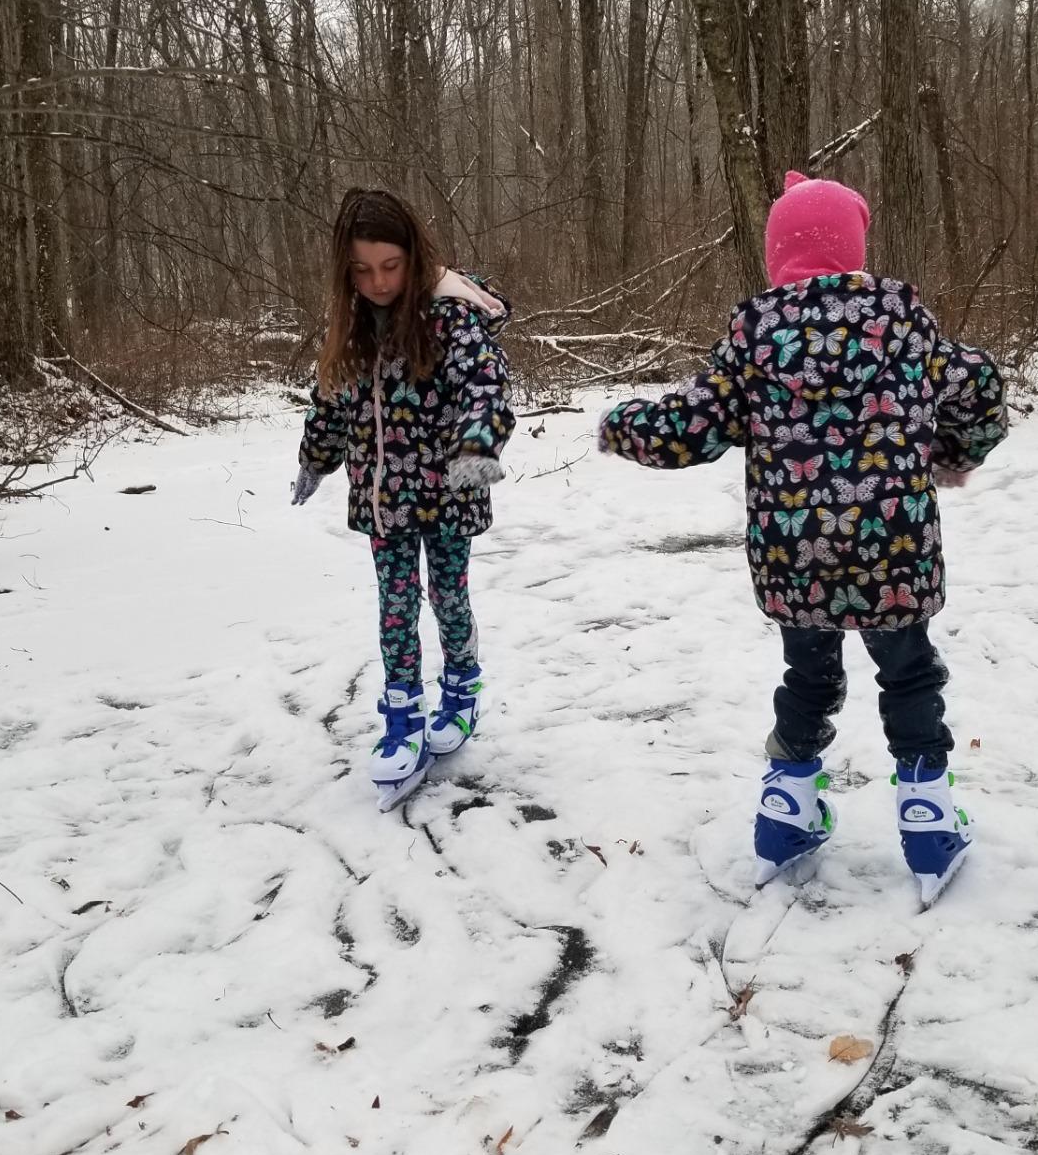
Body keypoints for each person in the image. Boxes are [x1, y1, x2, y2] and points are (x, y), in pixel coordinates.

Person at [598, 171, 1008, 903]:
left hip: (799, 556)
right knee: (908, 673)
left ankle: (785, 811)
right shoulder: (900, 321)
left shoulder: (756, 334)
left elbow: (692, 425)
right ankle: (927, 817)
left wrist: (621, 424)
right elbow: (978, 386)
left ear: (779, 257)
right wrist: (956, 451)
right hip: (894, 549)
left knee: (809, 676)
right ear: (853, 249)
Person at [292, 188, 515, 809]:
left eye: (390, 266)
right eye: (362, 270)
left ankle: (462, 688)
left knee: (447, 597)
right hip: (382, 499)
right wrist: (316, 459)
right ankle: (401, 716)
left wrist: (478, 446)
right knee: (395, 604)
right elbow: (333, 399)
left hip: (449, 495)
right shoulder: (353, 325)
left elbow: (486, 388)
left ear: (412, 258)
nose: (378, 281)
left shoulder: (450, 317)